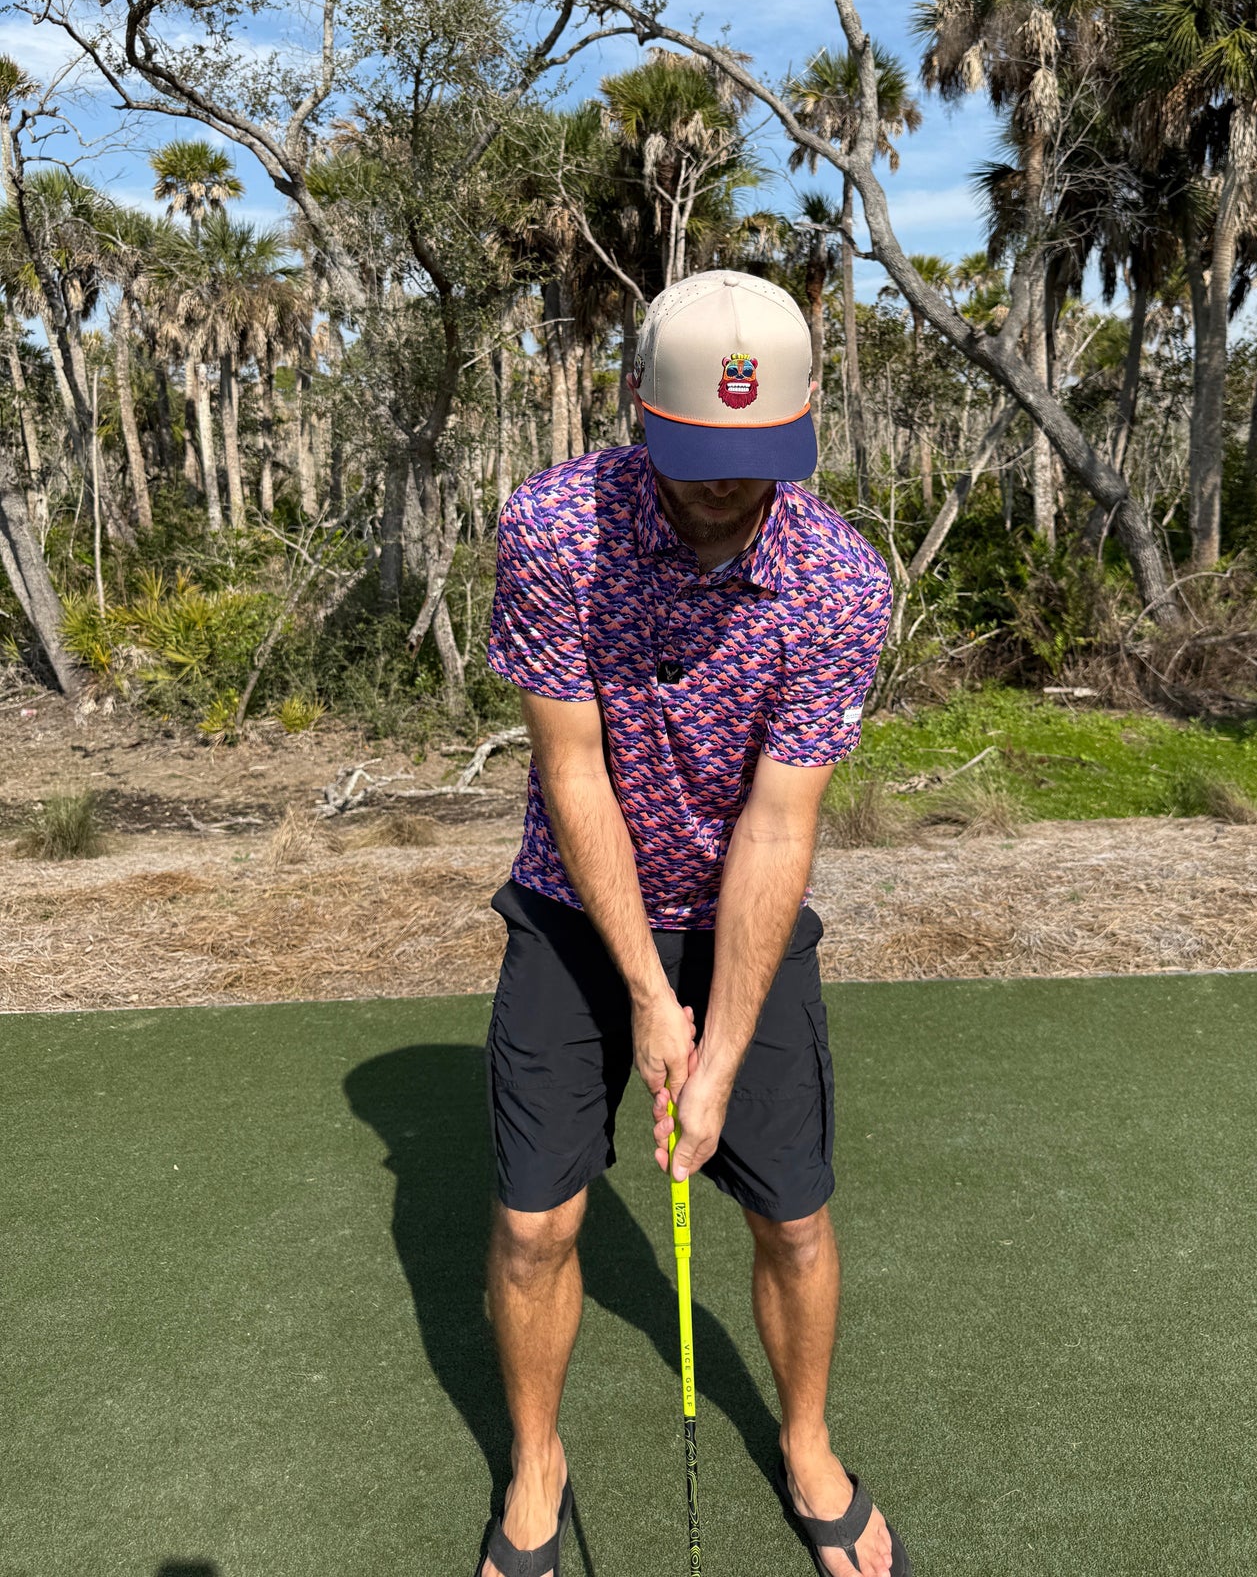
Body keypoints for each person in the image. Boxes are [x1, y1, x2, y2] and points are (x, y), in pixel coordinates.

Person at [478, 269, 908, 1577]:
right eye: (697, 455)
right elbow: (573, 771)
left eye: (756, 457)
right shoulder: (555, 530)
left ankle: (807, 1443)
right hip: (575, 906)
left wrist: (715, 1050)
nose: (725, 486)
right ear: (635, 407)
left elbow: (778, 827)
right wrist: (648, 1002)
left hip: (743, 917)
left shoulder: (841, 584)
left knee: (793, 1216)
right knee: (534, 1225)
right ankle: (536, 1464)